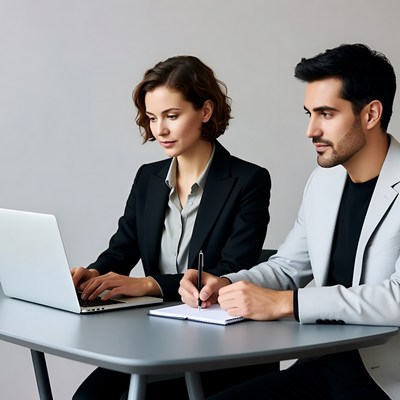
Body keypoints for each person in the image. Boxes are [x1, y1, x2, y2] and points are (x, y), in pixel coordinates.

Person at [179, 43, 400, 400]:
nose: (311, 130)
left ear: (371, 114)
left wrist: (287, 304)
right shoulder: (324, 181)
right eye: (308, 113)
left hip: (385, 377)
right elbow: (287, 267)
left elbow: (397, 297)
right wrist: (225, 283)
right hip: (320, 362)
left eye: (326, 114)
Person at [71, 55, 274, 399]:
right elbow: (123, 248)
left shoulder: (248, 180)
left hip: (219, 345)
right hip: (155, 336)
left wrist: (148, 284)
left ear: (205, 112)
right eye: (152, 118)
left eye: (172, 116)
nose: (159, 130)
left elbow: (230, 270)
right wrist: (91, 275)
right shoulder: (148, 178)